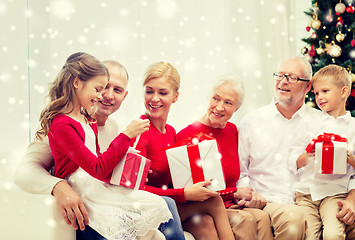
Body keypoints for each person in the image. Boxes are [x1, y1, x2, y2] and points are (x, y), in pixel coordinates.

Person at [15, 58, 187, 240]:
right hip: (87, 200)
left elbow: (105, 166)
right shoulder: (62, 125)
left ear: (125, 95)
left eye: (117, 89)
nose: (107, 95)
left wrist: (131, 170)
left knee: (164, 205)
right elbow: (24, 171)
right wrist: (58, 186)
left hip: (104, 194)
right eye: (102, 87)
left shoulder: (112, 128)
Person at [238, 56, 355, 240]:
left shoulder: (322, 121)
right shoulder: (252, 122)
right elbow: (240, 173)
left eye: (291, 77)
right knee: (296, 221)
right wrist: (249, 195)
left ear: (307, 86)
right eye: (279, 75)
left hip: (320, 198)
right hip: (274, 202)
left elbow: (348, 170)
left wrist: (351, 198)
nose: (283, 81)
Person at [130, 61, 234, 240]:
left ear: (175, 96)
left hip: (169, 204)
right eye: (149, 91)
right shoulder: (140, 131)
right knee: (214, 201)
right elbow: (133, 189)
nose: (154, 98)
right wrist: (184, 194)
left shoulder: (171, 132)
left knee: (205, 224)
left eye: (162, 93)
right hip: (147, 209)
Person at [176, 74, 273, 240]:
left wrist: (245, 194)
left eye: (228, 103)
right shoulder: (186, 136)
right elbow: (195, 192)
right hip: (203, 207)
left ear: (236, 109)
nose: (219, 107)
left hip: (231, 204)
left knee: (262, 217)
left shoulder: (232, 131)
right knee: (245, 220)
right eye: (216, 98)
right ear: (208, 99)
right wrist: (234, 193)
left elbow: (239, 173)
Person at [289, 65, 355, 239]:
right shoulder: (308, 122)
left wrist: (347, 157)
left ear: (343, 92)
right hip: (306, 193)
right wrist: (308, 156)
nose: (319, 97)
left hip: (334, 193)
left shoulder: (353, 127)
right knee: (309, 235)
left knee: (333, 234)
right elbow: (292, 158)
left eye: (325, 91)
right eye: (317, 93)